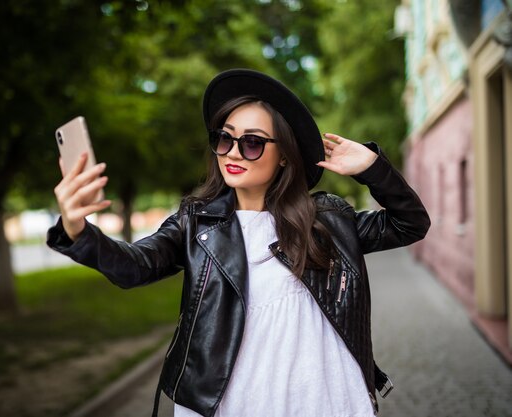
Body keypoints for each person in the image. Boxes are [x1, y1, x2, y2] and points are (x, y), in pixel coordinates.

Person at [47, 69, 430, 417]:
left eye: (251, 143)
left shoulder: (328, 221)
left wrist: (373, 168)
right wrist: (79, 230)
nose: (232, 151)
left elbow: (410, 223)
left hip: (323, 399)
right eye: (224, 138)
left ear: (284, 156)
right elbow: (134, 266)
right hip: (232, 402)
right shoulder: (196, 223)